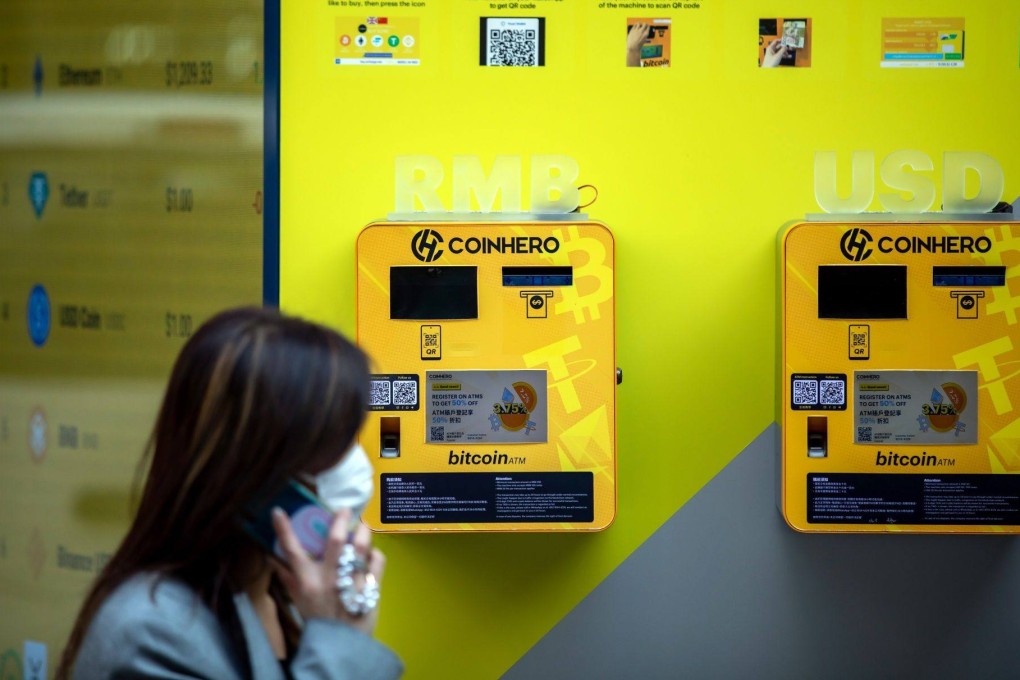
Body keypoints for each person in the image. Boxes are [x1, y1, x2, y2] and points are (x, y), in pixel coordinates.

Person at [56, 307, 402, 679]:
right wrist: (341, 643)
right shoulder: (154, 631)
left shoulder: (284, 602)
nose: (353, 464)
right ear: (258, 473)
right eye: (334, 447)